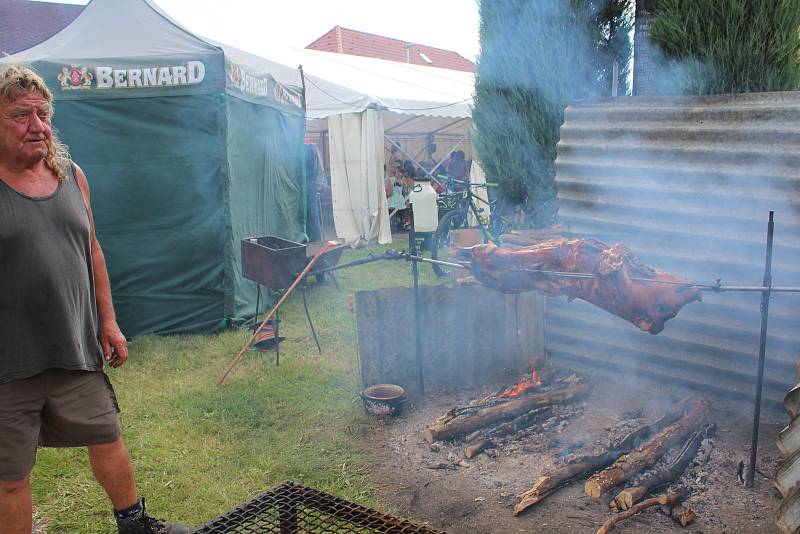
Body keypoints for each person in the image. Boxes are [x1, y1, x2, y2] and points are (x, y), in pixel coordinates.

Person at [0, 66, 190, 534]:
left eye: (43, 113)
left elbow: (93, 250)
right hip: (7, 363)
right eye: (21, 115)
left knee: (107, 436)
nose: (38, 125)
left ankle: (134, 524)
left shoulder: (72, 176)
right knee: (9, 478)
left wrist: (109, 321)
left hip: (74, 346)